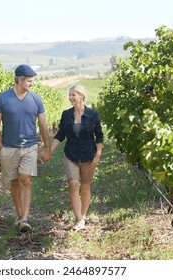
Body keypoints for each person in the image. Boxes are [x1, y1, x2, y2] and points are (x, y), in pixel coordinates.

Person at [0, 64, 51, 232]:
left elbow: (44, 125)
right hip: (9, 148)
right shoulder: (2, 99)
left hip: (30, 147)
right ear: (19, 80)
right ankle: (19, 216)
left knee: (25, 180)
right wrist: (0, 148)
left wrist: (47, 149)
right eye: (29, 81)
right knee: (15, 183)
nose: (32, 84)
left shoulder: (36, 99)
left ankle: (25, 218)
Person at [47, 84, 104, 231]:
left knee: (85, 186)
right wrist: (49, 151)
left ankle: (83, 216)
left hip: (88, 156)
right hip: (71, 155)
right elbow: (60, 135)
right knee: (73, 184)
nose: (70, 97)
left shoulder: (93, 114)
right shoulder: (66, 114)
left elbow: (99, 136)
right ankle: (78, 219)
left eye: (73, 94)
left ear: (82, 96)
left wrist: (98, 155)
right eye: (70, 95)